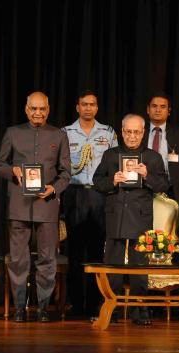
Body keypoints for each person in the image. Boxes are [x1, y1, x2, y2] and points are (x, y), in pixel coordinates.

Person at [0, 91, 70, 322]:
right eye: (33, 109)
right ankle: (19, 306)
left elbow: (66, 173)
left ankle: (43, 307)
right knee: (19, 260)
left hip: (46, 205)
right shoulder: (13, 133)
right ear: (26, 109)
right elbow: (0, 165)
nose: (38, 113)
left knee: (47, 259)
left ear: (48, 109)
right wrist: (12, 171)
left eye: (42, 109)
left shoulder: (58, 135)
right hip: (19, 205)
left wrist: (53, 189)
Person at [93, 114, 169, 325]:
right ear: (122, 131)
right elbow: (97, 182)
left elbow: (163, 185)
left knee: (139, 266)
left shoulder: (153, 157)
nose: (132, 136)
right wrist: (112, 180)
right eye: (128, 131)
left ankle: (141, 309)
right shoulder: (110, 155)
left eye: (136, 132)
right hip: (116, 214)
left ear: (143, 133)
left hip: (140, 216)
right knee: (113, 264)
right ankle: (112, 308)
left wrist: (147, 176)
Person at [62, 90, 118, 319]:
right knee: (74, 252)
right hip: (74, 193)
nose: (88, 108)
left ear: (97, 108)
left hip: (99, 195)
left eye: (92, 104)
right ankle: (76, 305)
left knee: (97, 251)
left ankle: (96, 303)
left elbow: (115, 162)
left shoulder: (108, 132)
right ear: (77, 107)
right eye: (84, 104)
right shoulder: (65, 133)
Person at [144, 92, 179, 239]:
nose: (158, 110)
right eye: (154, 106)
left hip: (175, 191)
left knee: (175, 237)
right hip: (145, 189)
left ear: (169, 111)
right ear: (148, 109)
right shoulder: (139, 132)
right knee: (147, 236)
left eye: (163, 107)